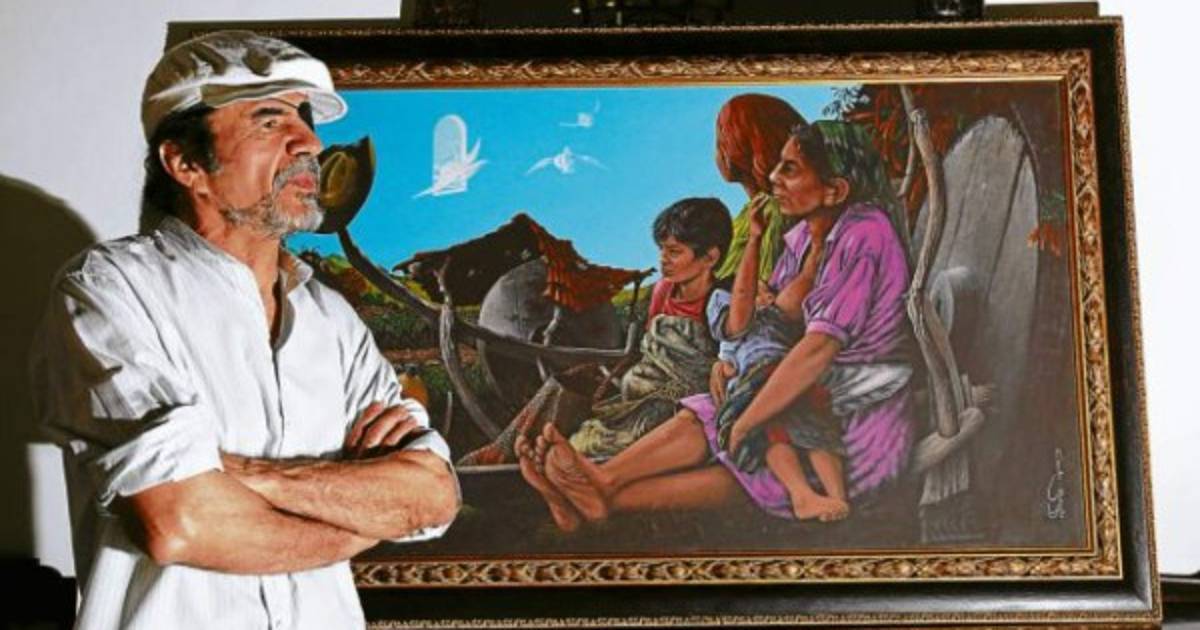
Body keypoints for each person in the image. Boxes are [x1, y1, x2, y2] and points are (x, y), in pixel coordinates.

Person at [28, 31, 460, 630]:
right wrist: (360, 515)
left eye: (305, 119)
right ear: (186, 163)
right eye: (269, 121)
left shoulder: (332, 319)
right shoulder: (109, 290)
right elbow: (180, 522)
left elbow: (431, 498)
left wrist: (238, 473)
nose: (310, 142)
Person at [517, 118, 915, 531]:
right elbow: (773, 318)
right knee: (708, 412)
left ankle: (601, 498)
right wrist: (729, 361)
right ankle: (602, 485)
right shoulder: (801, 238)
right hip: (805, 386)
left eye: (790, 169)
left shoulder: (864, 236)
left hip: (853, 417)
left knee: (745, 437)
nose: (773, 178)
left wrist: (748, 419)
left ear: (835, 190)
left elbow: (817, 349)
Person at [568, 198, 732, 462]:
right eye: (661, 250)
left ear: (710, 257)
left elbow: (709, 366)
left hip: (681, 404)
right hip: (638, 393)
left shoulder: (721, 302)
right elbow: (651, 350)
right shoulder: (663, 290)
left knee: (610, 442)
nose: (663, 259)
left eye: (674, 252)